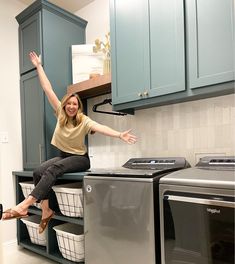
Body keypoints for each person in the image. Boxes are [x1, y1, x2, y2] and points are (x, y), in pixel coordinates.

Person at [2, 51, 137, 233]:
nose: (72, 106)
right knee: (38, 172)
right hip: (65, 156)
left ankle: (24, 205)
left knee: (53, 170)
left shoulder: (83, 120)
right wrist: (39, 66)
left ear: (78, 106)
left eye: (75, 104)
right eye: (69, 103)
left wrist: (120, 134)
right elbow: (47, 89)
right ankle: (46, 210)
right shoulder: (60, 114)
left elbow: (100, 126)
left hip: (81, 158)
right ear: (65, 105)